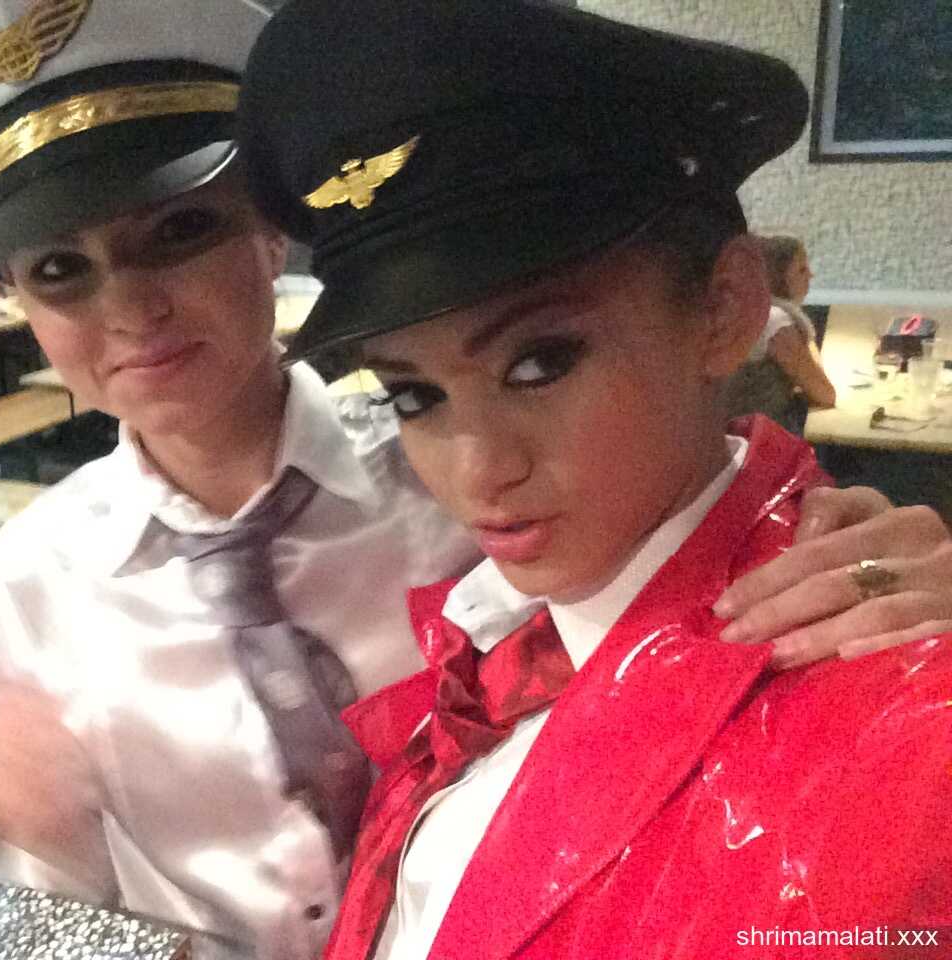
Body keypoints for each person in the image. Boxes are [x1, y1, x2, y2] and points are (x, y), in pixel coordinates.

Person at [0, 1, 952, 956]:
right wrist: (39, 830)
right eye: (60, 271)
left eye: (181, 230)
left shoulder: (455, 511)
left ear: (269, 239)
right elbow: (48, 896)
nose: (130, 308)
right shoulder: (36, 572)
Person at [237, 2, 952, 957]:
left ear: (727, 307)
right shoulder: (507, 636)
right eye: (415, 396)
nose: (479, 469)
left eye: (539, 364)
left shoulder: (902, 741)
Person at [722, 233, 834, 431]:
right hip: (756, 436)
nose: (810, 275)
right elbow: (825, 394)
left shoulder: (745, 310)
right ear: (776, 277)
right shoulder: (775, 322)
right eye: (801, 269)